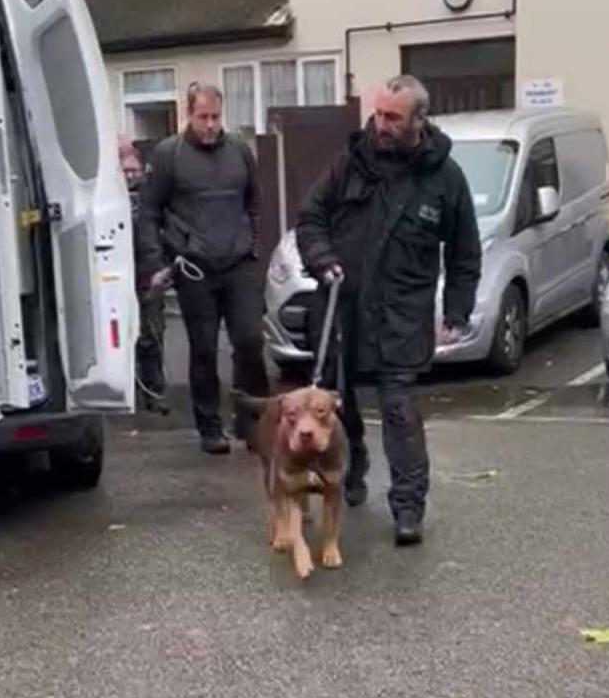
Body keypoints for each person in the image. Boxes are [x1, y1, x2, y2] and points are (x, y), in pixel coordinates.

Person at [296, 75, 481, 545]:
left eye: (392, 117)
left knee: (399, 412)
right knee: (342, 407)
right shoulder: (349, 164)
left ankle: (407, 507)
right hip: (344, 308)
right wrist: (323, 260)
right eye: (378, 113)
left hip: (402, 315)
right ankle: (351, 470)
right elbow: (310, 218)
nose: (380, 124)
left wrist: (457, 312)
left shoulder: (445, 178)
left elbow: (465, 253)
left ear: (419, 119)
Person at [136, 83, 269, 454]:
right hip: (193, 267)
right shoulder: (168, 155)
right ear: (188, 115)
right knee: (204, 349)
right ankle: (210, 426)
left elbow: (255, 203)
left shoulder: (240, 152)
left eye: (215, 117)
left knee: (250, 341)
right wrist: (156, 264)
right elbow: (148, 213)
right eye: (202, 117)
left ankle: (253, 421)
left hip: (238, 262)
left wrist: (254, 244)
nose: (210, 125)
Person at [119, 136, 169, 414]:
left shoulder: (152, 199)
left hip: (148, 276)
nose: (129, 176)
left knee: (152, 336)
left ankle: (154, 391)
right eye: (125, 171)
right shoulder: (112, 200)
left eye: (133, 170)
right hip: (119, 278)